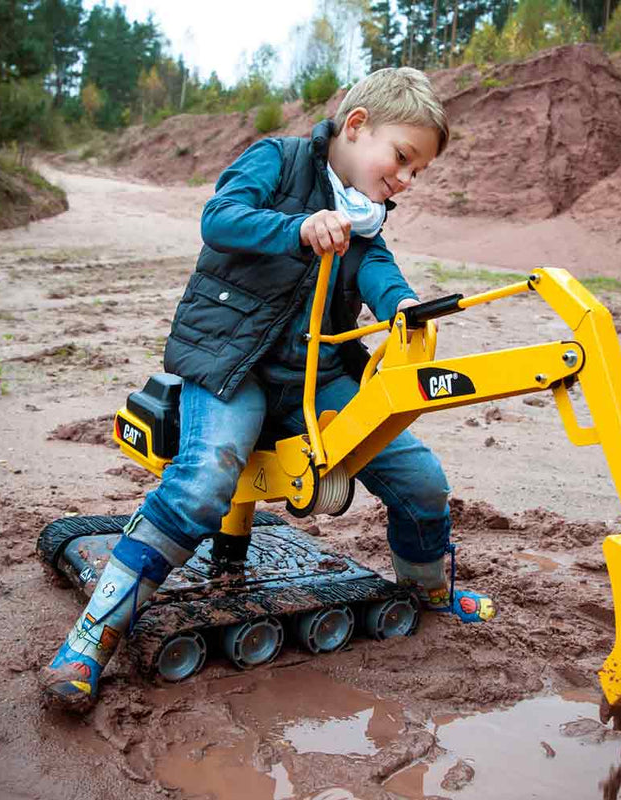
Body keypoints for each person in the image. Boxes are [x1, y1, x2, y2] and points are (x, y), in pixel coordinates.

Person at [40, 67, 496, 712]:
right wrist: (299, 228)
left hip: (316, 378)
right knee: (204, 479)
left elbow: (378, 268)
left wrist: (405, 308)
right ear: (357, 125)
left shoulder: (366, 218)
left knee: (419, 476)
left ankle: (428, 590)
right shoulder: (276, 161)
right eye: (402, 158)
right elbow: (220, 219)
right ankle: (90, 640)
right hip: (231, 364)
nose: (407, 179)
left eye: (417, 171)